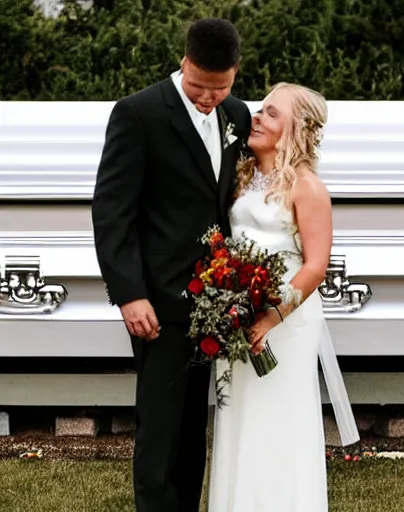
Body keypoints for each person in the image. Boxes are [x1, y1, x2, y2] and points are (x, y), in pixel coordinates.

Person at [91, 18, 251, 512]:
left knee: (192, 428)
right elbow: (112, 211)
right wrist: (129, 293)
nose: (209, 98)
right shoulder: (137, 113)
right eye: (201, 86)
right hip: (157, 301)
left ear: (234, 75)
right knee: (160, 428)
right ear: (184, 64)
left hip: (215, 303)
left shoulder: (239, 116)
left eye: (220, 88)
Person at [208, 83, 360, 511]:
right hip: (238, 318)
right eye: (260, 110)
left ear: (296, 129)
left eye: (271, 113)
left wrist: (270, 318)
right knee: (237, 421)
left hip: (285, 323)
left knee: (277, 424)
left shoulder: (309, 188)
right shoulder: (242, 174)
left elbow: (315, 266)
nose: (256, 117)